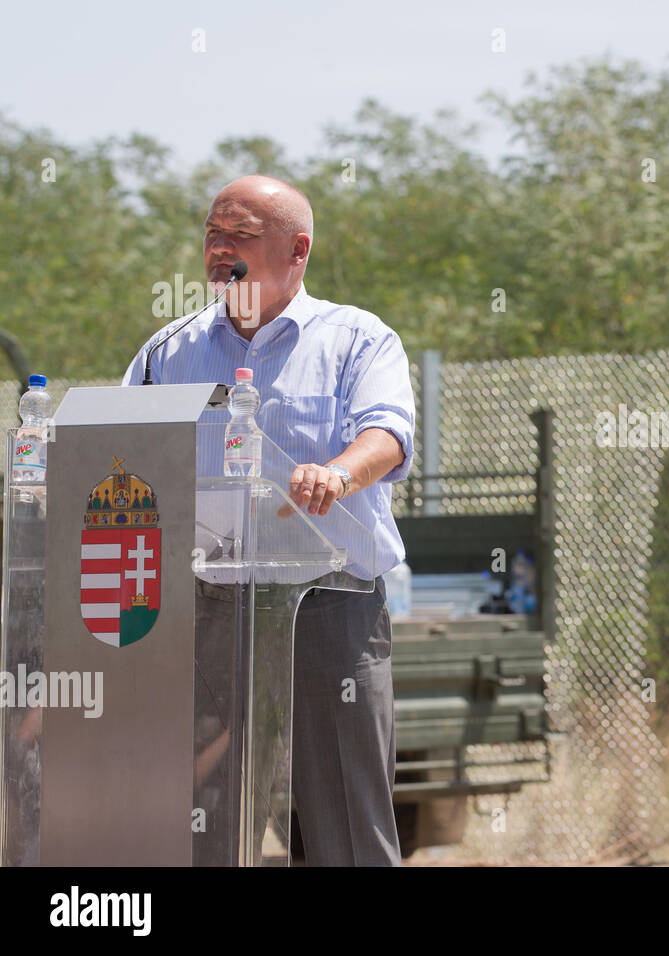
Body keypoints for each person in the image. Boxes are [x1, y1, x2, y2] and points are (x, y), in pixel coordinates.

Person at [123, 175, 415, 866]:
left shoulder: (355, 340)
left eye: (241, 238)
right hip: (208, 613)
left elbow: (389, 434)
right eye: (212, 237)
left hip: (329, 607)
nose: (221, 252)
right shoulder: (171, 351)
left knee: (343, 819)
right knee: (206, 815)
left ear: (297, 249)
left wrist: (339, 473)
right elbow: (125, 448)